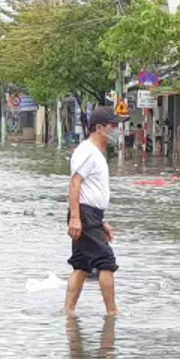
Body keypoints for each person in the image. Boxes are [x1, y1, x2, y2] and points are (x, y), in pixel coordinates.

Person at [66, 108, 120, 318]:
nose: (116, 131)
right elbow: (75, 183)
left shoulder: (95, 153)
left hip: (91, 215)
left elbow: (91, 190)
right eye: (112, 126)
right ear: (99, 128)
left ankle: (68, 313)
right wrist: (76, 217)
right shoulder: (87, 151)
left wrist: (100, 221)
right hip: (84, 214)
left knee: (81, 264)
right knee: (106, 261)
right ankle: (112, 313)